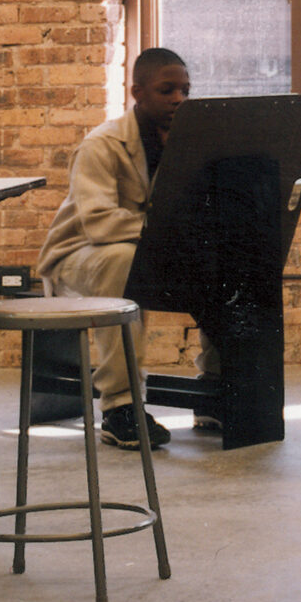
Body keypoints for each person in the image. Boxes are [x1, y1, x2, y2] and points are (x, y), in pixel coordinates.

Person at [35, 47, 192, 450]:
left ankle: (219, 392)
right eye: (167, 90)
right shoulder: (100, 145)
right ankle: (121, 407)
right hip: (78, 255)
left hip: (143, 250)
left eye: (185, 90)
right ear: (137, 93)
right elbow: (100, 223)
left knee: (225, 257)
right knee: (124, 259)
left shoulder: (186, 144)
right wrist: (173, 234)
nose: (179, 99)